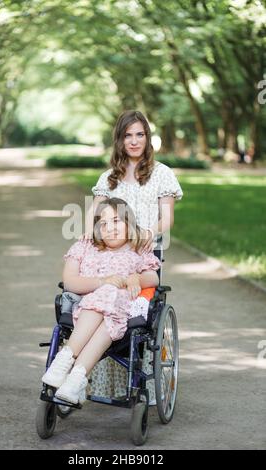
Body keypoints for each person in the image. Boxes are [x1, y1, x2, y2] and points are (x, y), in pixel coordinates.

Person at [82, 110, 184, 404]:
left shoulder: (161, 173)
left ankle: (141, 383)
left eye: (140, 134)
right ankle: (100, 376)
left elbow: (166, 219)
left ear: (147, 138)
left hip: (142, 254)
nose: (134, 141)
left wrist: (148, 232)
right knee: (100, 302)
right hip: (111, 255)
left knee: (138, 316)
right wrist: (86, 235)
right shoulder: (109, 177)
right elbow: (93, 214)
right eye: (128, 135)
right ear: (120, 139)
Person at [42, 197, 161, 405]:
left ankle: (69, 364)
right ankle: (74, 372)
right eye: (103, 224)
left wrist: (136, 278)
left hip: (124, 309)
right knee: (106, 295)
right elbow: (69, 282)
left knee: (110, 301)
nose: (110, 228)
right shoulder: (85, 246)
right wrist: (102, 282)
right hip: (87, 305)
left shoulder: (138, 248)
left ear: (128, 223)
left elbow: (154, 278)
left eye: (116, 221)